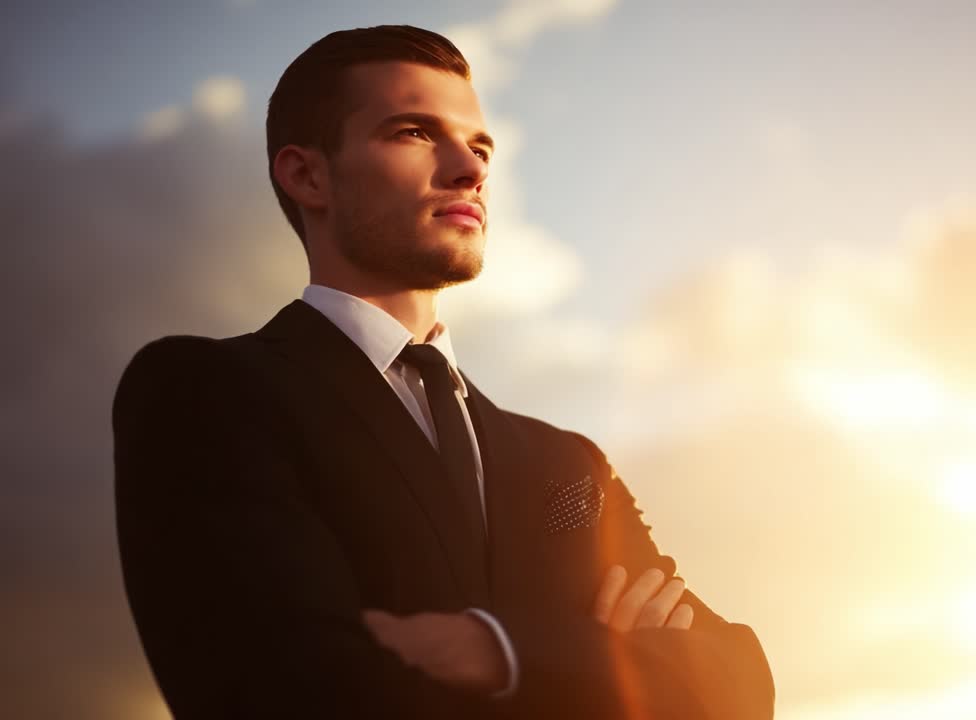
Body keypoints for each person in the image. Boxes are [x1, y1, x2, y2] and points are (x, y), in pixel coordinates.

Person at [112, 24, 774, 719]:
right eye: (413, 132)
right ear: (307, 174)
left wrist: (496, 653)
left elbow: (739, 682)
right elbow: (292, 690)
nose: (471, 169)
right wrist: (605, 658)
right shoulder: (207, 393)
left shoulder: (568, 463)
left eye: (480, 145)